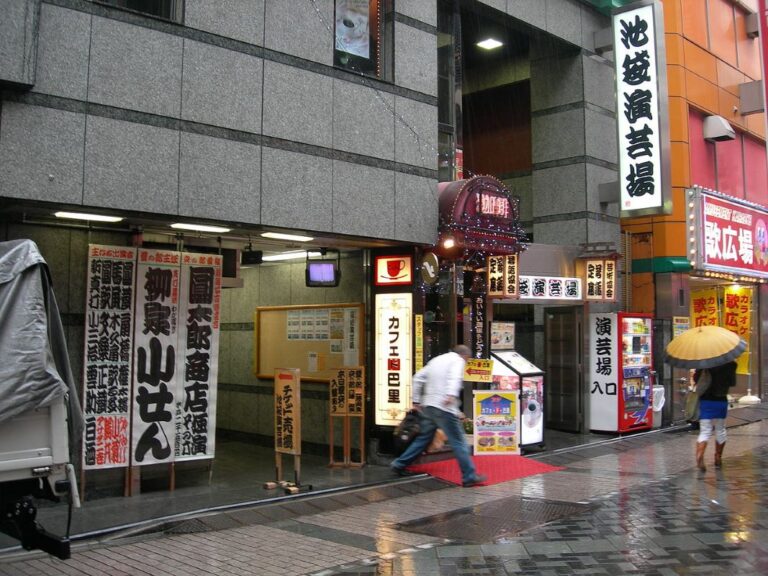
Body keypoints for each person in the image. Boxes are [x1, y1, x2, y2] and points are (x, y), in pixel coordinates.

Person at [390, 345, 487, 487]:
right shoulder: (457, 361)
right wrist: (451, 394)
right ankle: (469, 476)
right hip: (444, 407)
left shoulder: (436, 360)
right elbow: (454, 378)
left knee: (423, 438)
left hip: (428, 406)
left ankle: (399, 464)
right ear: (465, 356)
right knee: (459, 441)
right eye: (467, 360)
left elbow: (418, 378)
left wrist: (415, 400)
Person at [694, 360, 737, 471]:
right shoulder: (730, 364)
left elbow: (696, 379)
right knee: (720, 429)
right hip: (721, 400)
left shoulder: (704, 362)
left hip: (706, 401)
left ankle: (700, 454)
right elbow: (732, 383)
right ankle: (718, 456)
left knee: (705, 431)